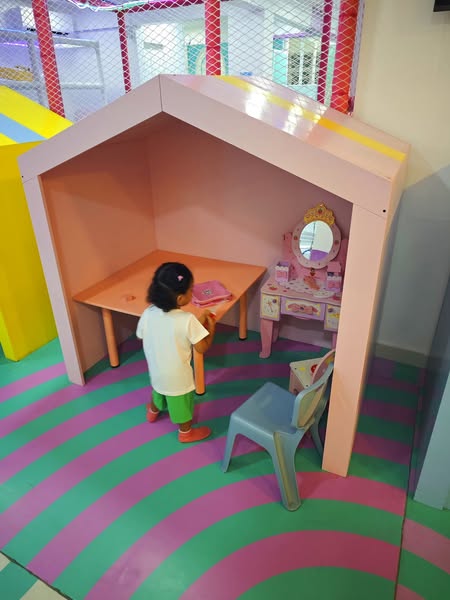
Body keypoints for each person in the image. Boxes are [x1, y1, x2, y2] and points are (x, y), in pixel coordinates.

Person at [136, 262, 216, 443]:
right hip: (178, 380)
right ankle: (186, 433)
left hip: (156, 371)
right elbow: (202, 347)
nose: (192, 292)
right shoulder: (187, 320)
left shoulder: (148, 312)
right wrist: (211, 328)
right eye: (191, 290)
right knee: (182, 406)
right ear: (180, 299)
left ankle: (153, 412)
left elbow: (143, 336)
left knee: (158, 391)